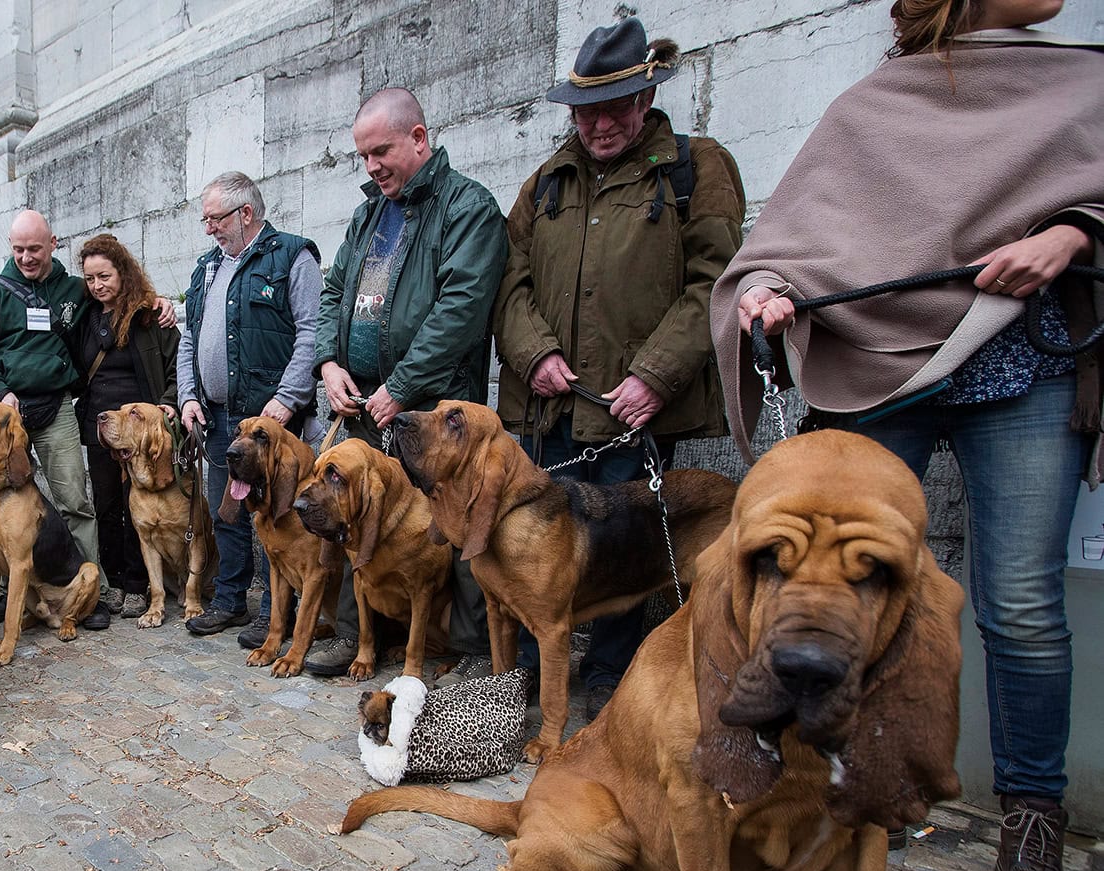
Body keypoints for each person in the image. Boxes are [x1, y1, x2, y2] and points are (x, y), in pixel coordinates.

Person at [716, 0, 1101, 871]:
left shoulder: (1084, 78)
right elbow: (790, 241)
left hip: (1024, 361)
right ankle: (842, 781)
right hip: (876, 366)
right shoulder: (874, 102)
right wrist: (768, 289)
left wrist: (1073, 237)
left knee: (1019, 601)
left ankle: (1031, 826)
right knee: (828, 581)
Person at [493, 17, 746, 716]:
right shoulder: (545, 183)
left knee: (623, 552)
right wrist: (533, 351)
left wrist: (656, 374)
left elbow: (715, 280)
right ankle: (526, 677)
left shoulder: (698, 168)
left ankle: (608, 681)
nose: (600, 123)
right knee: (531, 541)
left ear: (645, 99)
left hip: (631, 412)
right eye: (587, 110)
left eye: (615, 106)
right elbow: (507, 283)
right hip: (548, 410)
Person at [306, 87, 508, 676]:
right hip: (364, 401)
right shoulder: (368, 213)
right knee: (351, 516)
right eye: (362, 156)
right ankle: (353, 633)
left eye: (381, 151)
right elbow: (335, 291)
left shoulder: (468, 207)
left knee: (457, 524)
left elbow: (461, 308)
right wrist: (329, 363)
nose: (371, 167)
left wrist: (402, 384)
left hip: (433, 408)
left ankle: (471, 651)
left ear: (419, 138)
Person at [178, 171, 322, 644]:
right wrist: (189, 397)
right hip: (218, 416)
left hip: (273, 424)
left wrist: (286, 399)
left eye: (214, 218)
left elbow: (310, 332)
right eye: (205, 219)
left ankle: (275, 610)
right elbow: (188, 339)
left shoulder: (292, 256)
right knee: (229, 510)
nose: (208, 228)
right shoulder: (206, 267)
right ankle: (230, 600)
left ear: (245, 214)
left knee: (279, 510)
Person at [0, 210, 109, 630]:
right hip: (8, 413)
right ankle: (19, 591)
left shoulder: (73, 290)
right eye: (18, 249)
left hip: (55, 408)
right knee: (2, 503)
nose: (26, 257)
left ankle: (89, 593)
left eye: (34, 248)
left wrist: (159, 303)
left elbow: (115, 292)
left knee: (75, 502)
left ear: (53, 243)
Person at [67, 233, 181, 621]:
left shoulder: (151, 316)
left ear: (124, 272)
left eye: (105, 276)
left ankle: (139, 584)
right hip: (101, 423)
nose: (98, 286)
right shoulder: (84, 315)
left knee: (140, 505)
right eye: (90, 279)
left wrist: (167, 406)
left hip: (140, 428)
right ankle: (115, 579)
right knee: (107, 505)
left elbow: (176, 366)